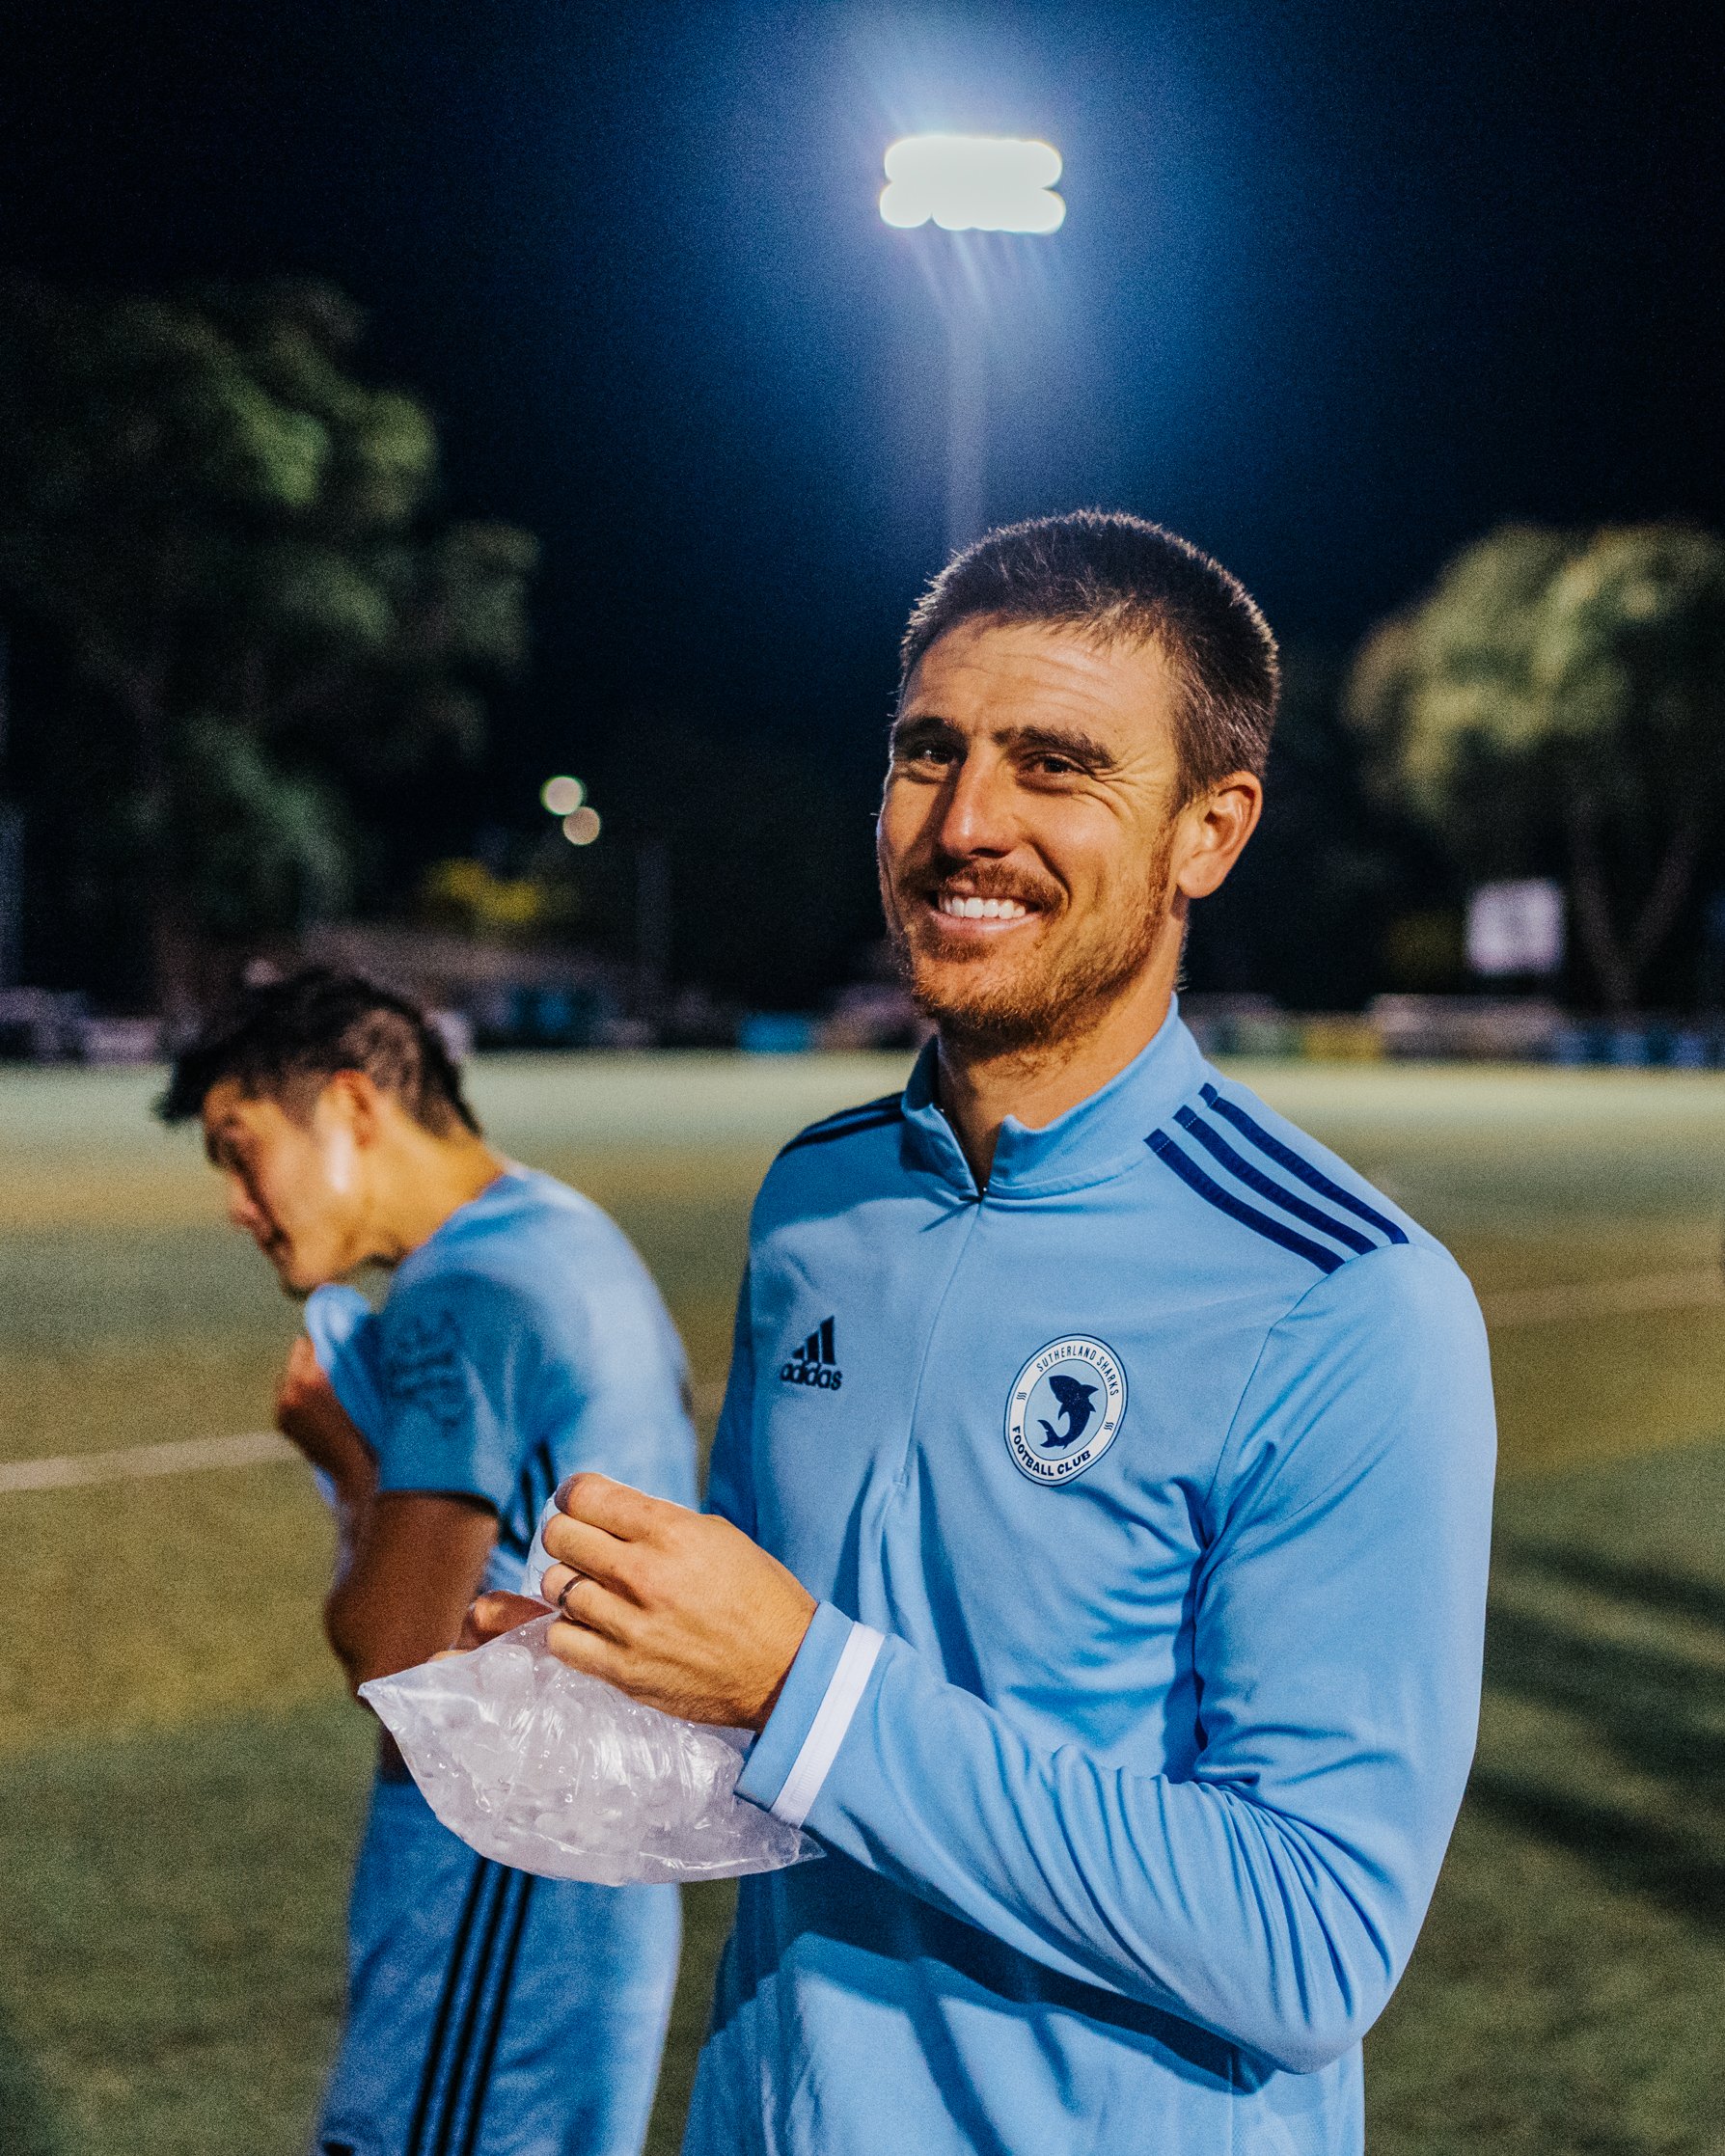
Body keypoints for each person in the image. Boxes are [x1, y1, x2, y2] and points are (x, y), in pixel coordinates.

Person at [474, 510, 1497, 2155]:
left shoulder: (1345, 1298)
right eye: (926, 754)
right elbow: (749, 1695)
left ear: (1206, 832)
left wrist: (804, 1686)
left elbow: (1311, 1940)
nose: (964, 824)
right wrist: (590, 1668)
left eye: (1056, 767)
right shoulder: (816, 1201)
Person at [160, 969, 697, 2156]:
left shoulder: (466, 1290)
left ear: (353, 1108)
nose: (239, 1206)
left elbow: (394, 1656)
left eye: (242, 1152)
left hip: (501, 1883)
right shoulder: (563, 1231)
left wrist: (348, 1460)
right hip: (586, 1868)